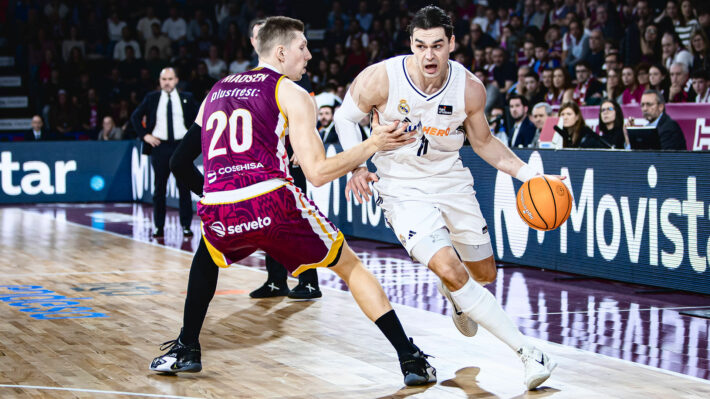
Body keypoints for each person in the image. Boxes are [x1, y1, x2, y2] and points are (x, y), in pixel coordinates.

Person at [150, 16, 437, 387]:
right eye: (303, 47)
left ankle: (186, 347)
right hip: (270, 200)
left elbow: (185, 158)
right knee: (350, 267)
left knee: (206, 258)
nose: (310, 55)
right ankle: (410, 357)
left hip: (220, 206)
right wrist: (372, 145)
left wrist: (217, 192)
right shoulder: (292, 93)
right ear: (281, 51)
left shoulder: (216, 89)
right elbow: (317, 173)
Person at [333, 6, 557, 390]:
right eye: (421, 45)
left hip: (451, 180)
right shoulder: (382, 79)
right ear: (411, 45)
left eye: (438, 45)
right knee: (451, 270)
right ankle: (529, 353)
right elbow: (343, 118)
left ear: (451, 44)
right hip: (402, 188)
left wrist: (531, 175)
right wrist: (357, 167)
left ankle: (456, 296)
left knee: (483, 274)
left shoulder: (469, 88)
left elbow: (484, 142)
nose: (429, 55)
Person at [244, 18, 322, 300]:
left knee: (297, 222)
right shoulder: (251, 78)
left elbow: (311, 115)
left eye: (260, 35)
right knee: (270, 224)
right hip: (267, 165)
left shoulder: (298, 75)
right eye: (254, 36)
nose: (257, 39)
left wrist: (302, 149)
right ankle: (276, 280)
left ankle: (310, 281)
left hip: (292, 158)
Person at [130, 67, 198, 238]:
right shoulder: (152, 98)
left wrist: (191, 141)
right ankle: (159, 226)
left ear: (176, 80)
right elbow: (135, 117)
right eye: (163, 79)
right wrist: (145, 136)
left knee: (184, 187)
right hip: (159, 146)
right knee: (159, 188)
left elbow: (199, 118)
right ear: (159, 82)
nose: (167, 83)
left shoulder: (186, 98)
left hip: (180, 146)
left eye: (170, 79)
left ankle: (186, 226)